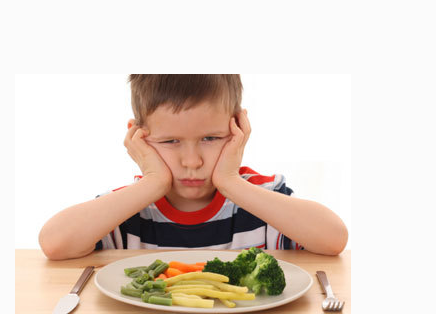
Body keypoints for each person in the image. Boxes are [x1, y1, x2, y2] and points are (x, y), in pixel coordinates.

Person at [39, 74, 348, 260]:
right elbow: (54, 243)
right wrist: (153, 182)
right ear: (138, 138)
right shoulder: (127, 209)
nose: (192, 161)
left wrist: (230, 182)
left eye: (211, 138)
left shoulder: (260, 198)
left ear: (239, 128)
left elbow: (333, 238)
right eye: (170, 141)